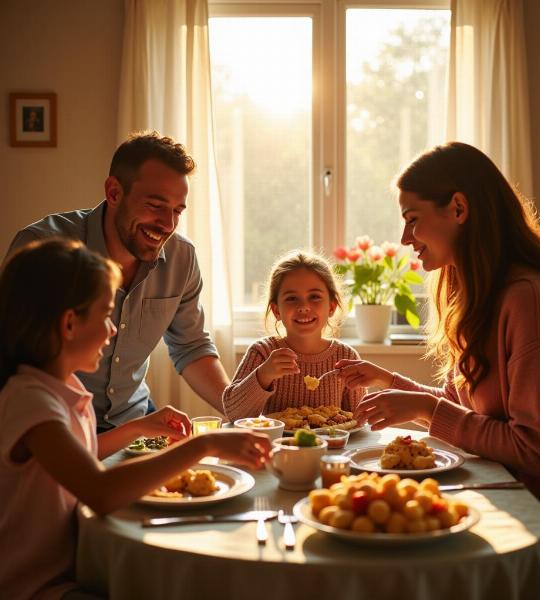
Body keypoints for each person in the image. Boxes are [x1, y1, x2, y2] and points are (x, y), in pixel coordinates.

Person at [336, 142, 540, 598]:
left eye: (413, 218)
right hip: (510, 520)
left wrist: (419, 406)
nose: (405, 238)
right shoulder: (478, 294)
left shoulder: (528, 301)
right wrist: (393, 385)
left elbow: (539, 451)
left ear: (458, 208)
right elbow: (468, 414)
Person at [0, 238, 271, 600]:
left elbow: (82, 456)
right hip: (35, 587)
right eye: (106, 314)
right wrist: (203, 445)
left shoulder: (59, 387)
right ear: (69, 324)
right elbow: (99, 490)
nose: (113, 330)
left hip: (76, 567)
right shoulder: (31, 401)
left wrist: (140, 427)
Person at [5, 131, 230, 432]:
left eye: (177, 210)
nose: (168, 224)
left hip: (136, 421)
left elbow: (192, 347)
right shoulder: (44, 249)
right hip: (59, 425)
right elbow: (11, 353)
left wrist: (243, 413)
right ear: (113, 193)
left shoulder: (182, 258)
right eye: (155, 205)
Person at [222, 251, 366, 421]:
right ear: (276, 311)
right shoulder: (262, 352)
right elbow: (233, 414)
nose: (304, 306)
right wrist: (263, 375)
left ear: (331, 307)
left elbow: (360, 420)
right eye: (292, 298)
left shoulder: (345, 357)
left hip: (333, 447)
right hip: (276, 447)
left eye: (314, 297)